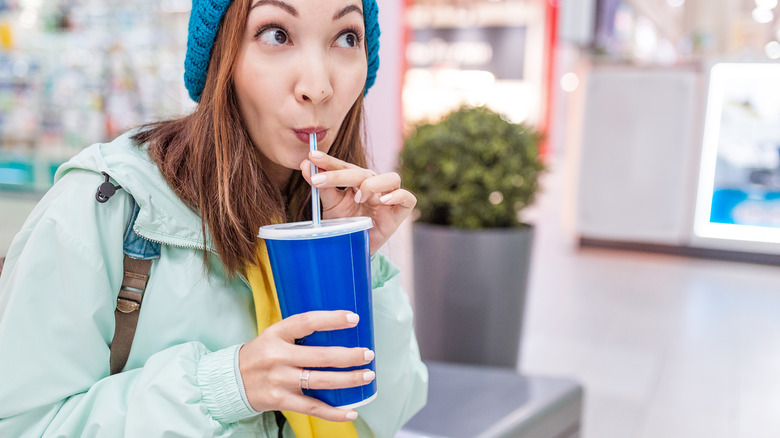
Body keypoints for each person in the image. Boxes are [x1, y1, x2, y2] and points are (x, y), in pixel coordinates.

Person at [0, 0, 428, 436]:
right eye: (276, 34)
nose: (317, 87)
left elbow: (384, 419)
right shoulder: (106, 205)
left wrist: (358, 265)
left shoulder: (336, 209)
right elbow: (23, 425)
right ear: (221, 55)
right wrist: (225, 386)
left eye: (346, 37)